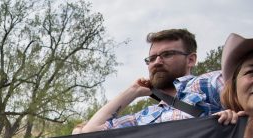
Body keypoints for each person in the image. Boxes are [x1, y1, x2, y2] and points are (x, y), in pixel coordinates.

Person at [82, 29, 223, 132]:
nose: (157, 62)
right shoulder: (144, 116)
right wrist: (133, 91)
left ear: (191, 60)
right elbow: (90, 132)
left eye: (167, 54)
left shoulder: (209, 82)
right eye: (151, 58)